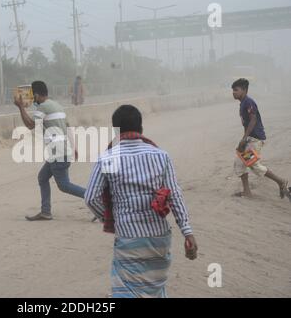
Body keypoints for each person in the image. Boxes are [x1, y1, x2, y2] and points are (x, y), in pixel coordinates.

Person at [84, 104, 198, 298]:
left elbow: (91, 198)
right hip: (159, 237)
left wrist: (110, 218)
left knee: (127, 290)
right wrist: (187, 232)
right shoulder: (161, 155)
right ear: (141, 128)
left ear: (116, 131)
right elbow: (175, 195)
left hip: (128, 236)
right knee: (155, 290)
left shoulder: (108, 158)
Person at [14, 81, 86, 221]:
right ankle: (45, 211)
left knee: (64, 185)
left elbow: (30, 125)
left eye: (30, 95)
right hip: (62, 150)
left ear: (35, 94)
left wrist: (21, 107)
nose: (30, 98)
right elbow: (68, 127)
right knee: (42, 177)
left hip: (58, 152)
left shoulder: (43, 108)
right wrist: (74, 147)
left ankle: (96, 199)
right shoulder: (57, 105)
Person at [232, 78, 290, 199]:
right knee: (239, 163)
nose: (233, 92)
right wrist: (243, 140)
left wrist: (245, 138)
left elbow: (253, 119)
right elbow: (247, 124)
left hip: (255, 139)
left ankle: (281, 181)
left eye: (236, 90)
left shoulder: (248, 102)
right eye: (233, 90)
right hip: (250, 139)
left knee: (253, 164)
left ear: (244, 90)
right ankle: (247, 192)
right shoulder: (243, 103)